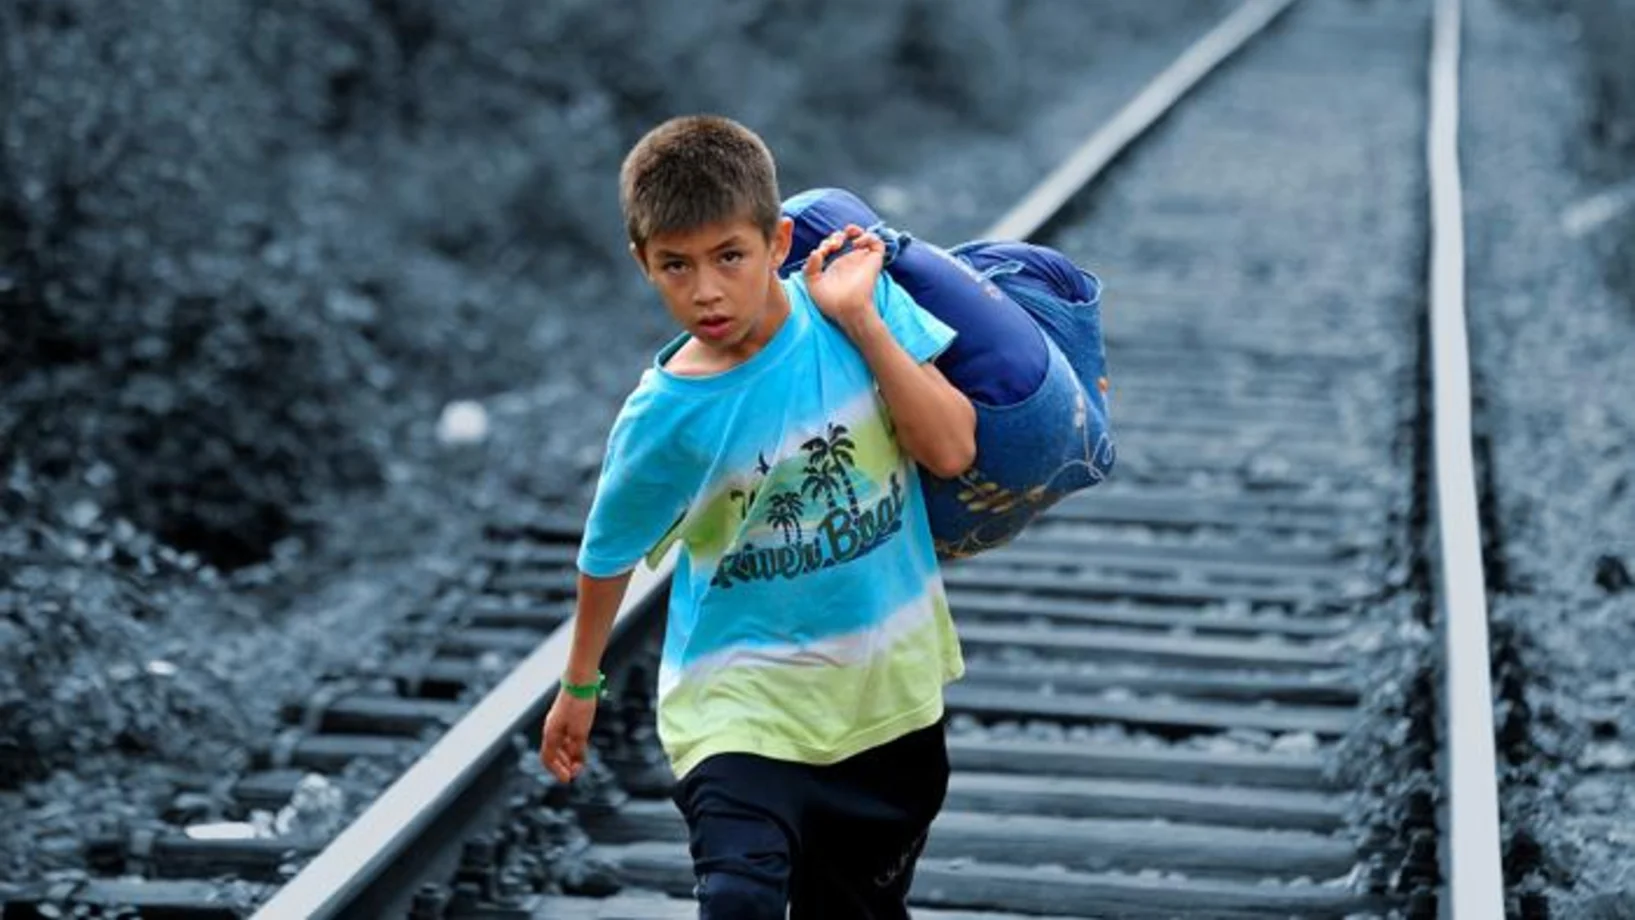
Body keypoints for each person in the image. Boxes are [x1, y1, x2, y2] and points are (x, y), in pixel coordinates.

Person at [539, 114, 975, 918]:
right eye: (675, 265)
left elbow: (949, 450)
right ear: (643, 263)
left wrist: (863, 323)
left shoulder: (853, 312)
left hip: (887, 696)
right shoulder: (662, 416)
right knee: (736, 901)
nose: (705, 290)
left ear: (775, 244)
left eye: (728, 256)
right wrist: (578, 684)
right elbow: (606, 554)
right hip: (737, 707)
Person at [779, 187, 1115, 560]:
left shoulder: (843, 284)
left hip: (1004, 425)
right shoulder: (911, 262)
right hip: (1059, 394)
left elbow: (950, 455)